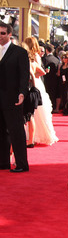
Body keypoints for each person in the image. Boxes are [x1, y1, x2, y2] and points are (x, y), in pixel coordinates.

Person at [0, 21, 30, 172]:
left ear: (10, 34)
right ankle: (3, 162)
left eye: (3, 33)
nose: (0, 36)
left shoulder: (19, 52)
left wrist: (22, 93)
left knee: (16, 131)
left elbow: (24, 76)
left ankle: (22, 164)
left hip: (13, 99)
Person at [24, 37, 58, 146]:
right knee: (34, 113)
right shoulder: (34, 56)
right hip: (36, 84)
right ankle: (32, 136)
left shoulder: (34, 57)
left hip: (34, 85)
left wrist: (32, 77)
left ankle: (33, 137)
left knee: (33, 113)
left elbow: (42, 72)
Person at [43, 43, 60, 111]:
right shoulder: (57, 59)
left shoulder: (45, 59)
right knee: (54, 94)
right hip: (55, 80)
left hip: (47, 80)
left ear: (46, 50)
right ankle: (54, 106)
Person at [58, 51, 68, 115]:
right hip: (62, 82)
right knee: (63, 95)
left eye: (66, 58)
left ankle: (66, 110)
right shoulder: (62, 66)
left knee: (67, 96)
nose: (64, 59)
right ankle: (64, 108)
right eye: (63, 57)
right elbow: (60, 74)